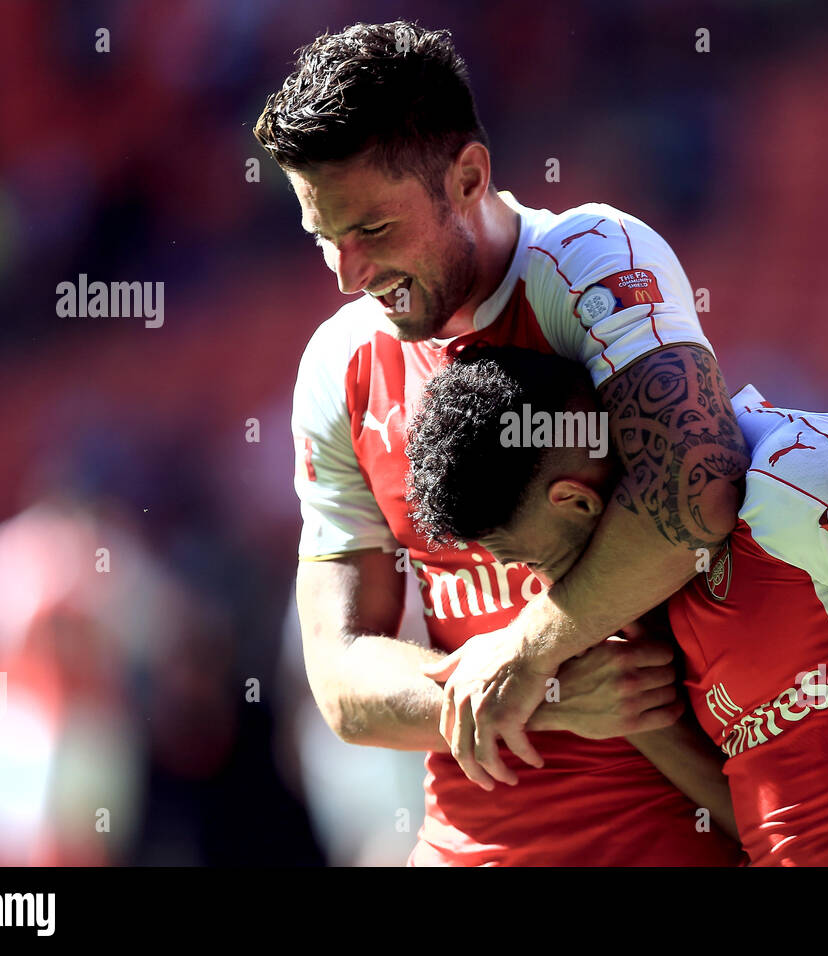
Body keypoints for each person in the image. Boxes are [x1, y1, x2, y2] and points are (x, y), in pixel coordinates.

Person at [255, 21, 750, 864]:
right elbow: (339, 686)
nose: (346, 276)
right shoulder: (340, 365)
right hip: (466, 845)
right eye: (321, 238)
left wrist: (527, 648)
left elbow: (697, 483)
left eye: (371, 231)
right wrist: (547, 688)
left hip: (682, 831)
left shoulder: (591, 263)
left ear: (470, 176)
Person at [405, 345, 828, 866]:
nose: (541, 589)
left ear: (575, 501)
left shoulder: (795, 473)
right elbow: (767, 818)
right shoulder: (645, 604)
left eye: (528, 561)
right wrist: (638, 722)